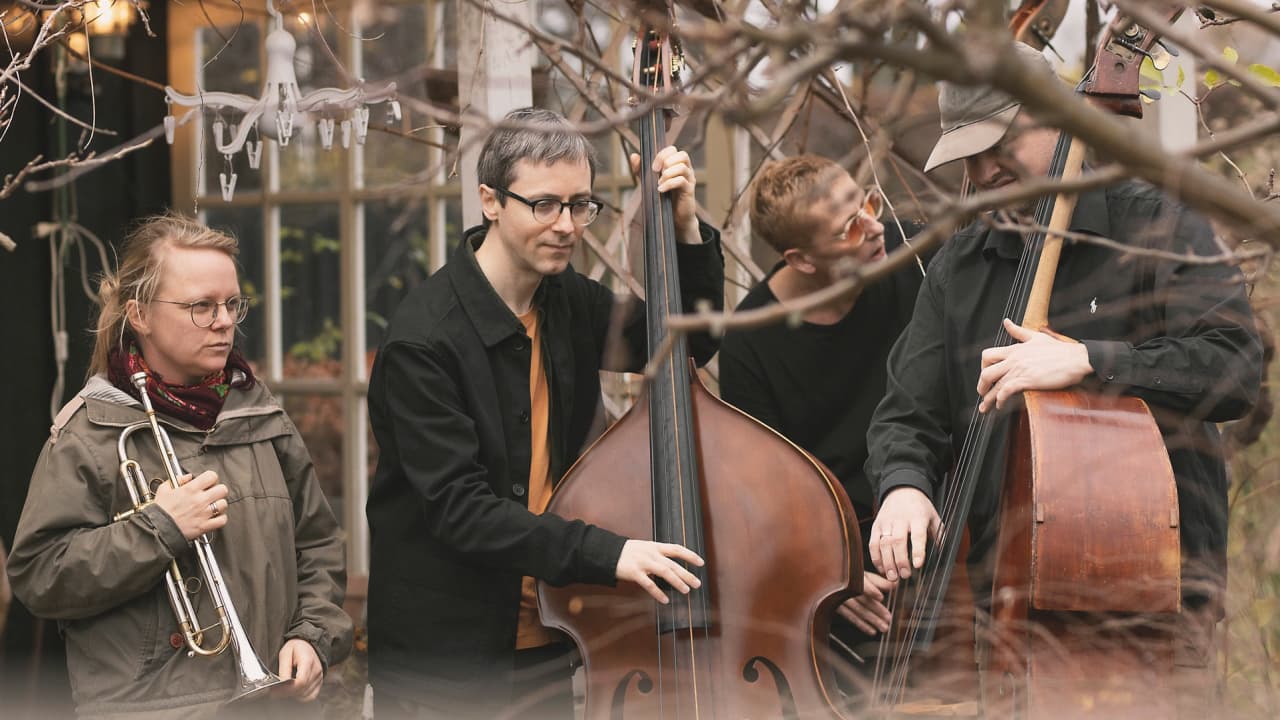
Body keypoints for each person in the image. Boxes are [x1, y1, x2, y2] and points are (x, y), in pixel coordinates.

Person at [865, 43, 1262, 708]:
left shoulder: (1157, 225)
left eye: (1001, 145)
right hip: (1008, 609)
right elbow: (909, 411)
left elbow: (1234, 366)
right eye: (970, 152)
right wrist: (903, 485)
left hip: (1155, 602)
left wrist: (1092, 360)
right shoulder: (963, 262)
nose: (985, 170)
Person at [365, 107, 725, 719]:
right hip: (445, 660)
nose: (566, 226)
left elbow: (686, 341)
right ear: (490, 200)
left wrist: (685, 226)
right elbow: (461, 510)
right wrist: (607, 553)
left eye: (580, 205)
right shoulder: (423, 343)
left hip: (548, 636)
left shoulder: (565, 301)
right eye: (545, 205)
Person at [6, 214, 352, 718]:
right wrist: (159, 528)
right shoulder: (91, 430)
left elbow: (318, 544)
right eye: (200, 307)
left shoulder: (258, 412)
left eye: (232, 303)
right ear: (139, 315)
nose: (225, 321)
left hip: (273, 704)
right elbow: (39, 575)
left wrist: (313, 638)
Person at [718, 155, 925, 660]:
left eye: (868, 204)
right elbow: (763, 493)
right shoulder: (750, 339)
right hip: (837, 554)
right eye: (849, 229)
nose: (876, 228)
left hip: (928, 508)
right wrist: (829, 574)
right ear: (802, 261)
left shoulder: (912, 254)